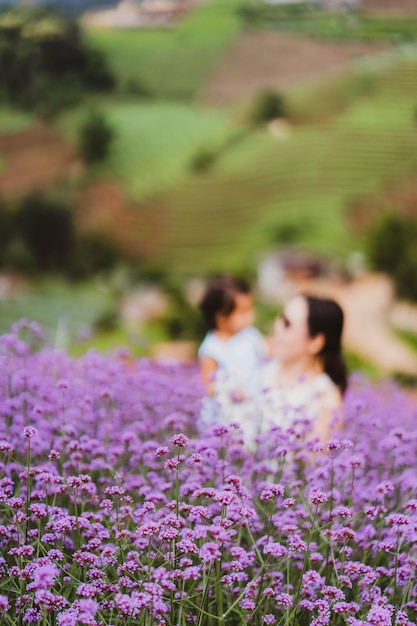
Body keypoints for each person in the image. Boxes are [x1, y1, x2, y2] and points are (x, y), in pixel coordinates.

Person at [260, 293, 347, 443]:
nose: (276, 327)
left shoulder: (325, 399)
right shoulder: (262, 367)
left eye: (287, 324)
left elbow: (313, 462)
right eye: (280, 317)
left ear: (315, 342)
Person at [197, 275, 269, 431]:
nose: (250, 316)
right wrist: (229, 391)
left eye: (250, 309)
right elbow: (208, 386)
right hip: (226, 414)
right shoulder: (211, 348)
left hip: (253, 408)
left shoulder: (250, 334)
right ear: (221, 318)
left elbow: (267, 352)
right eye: (243, 312)